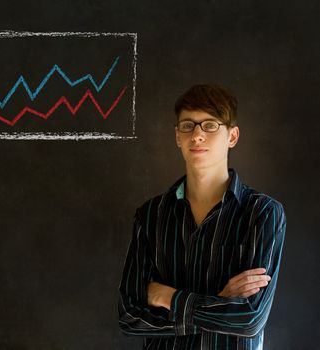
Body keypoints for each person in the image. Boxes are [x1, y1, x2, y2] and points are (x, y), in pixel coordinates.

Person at [118, 84, 286, 349]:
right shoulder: (150, 215)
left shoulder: (262, 213)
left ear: (232, 136)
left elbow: (250, 319)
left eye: (210, 125)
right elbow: (130, 317)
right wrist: (219, 301)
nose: (196, 135)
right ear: (177, 136)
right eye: (188, 125)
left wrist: (169, 297)